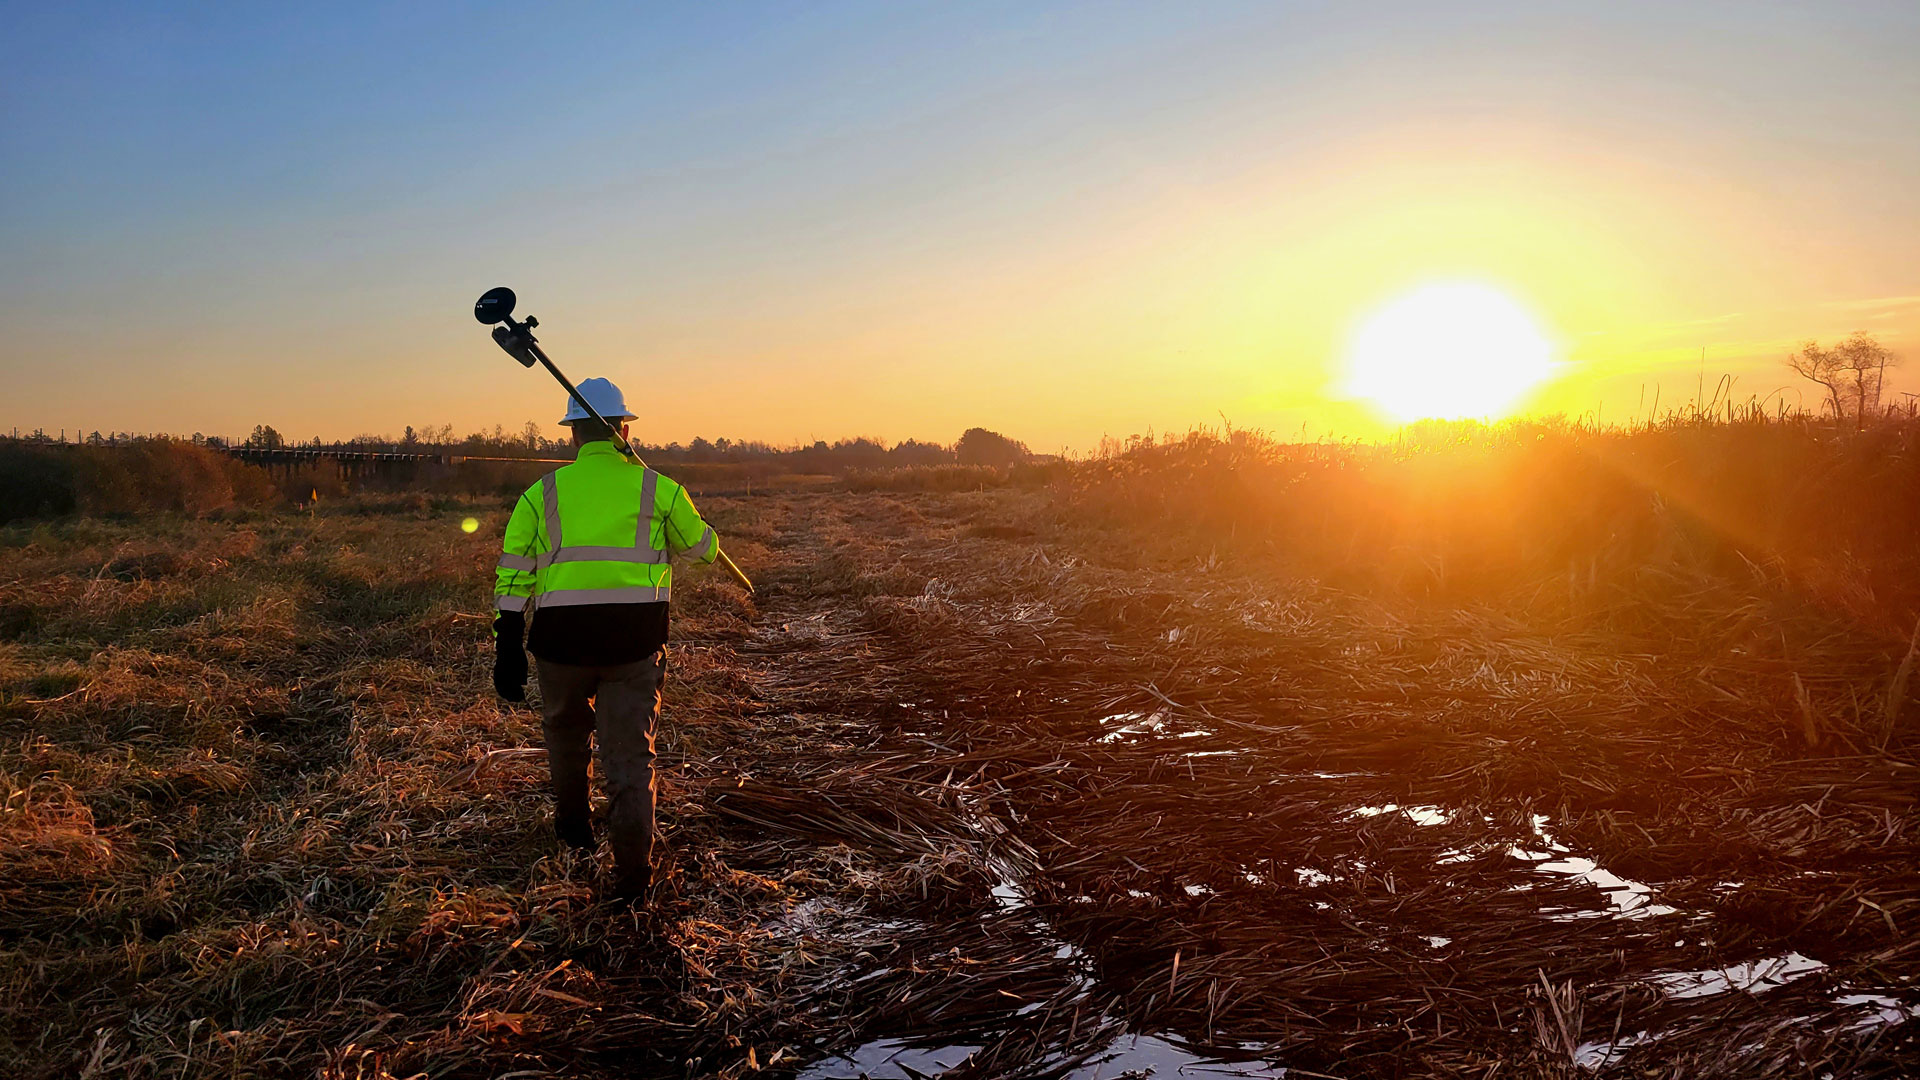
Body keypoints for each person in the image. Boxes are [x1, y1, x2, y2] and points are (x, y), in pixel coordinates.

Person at [490, 377, 722, 900]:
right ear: (622, 430)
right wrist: (700, 528)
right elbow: (702, 551)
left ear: (573, 434)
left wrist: (507, 637)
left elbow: (513, 573)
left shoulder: (540, 494)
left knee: (566, 743)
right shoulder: (658, 488)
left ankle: (574, 836)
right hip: (633, 644)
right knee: (631, 760)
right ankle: (634, 881)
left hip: (560, 644)